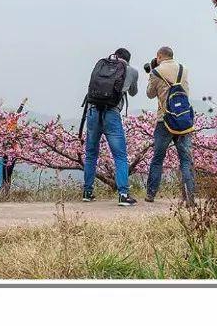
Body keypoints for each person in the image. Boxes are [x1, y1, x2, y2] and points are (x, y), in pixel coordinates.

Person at [81, 47, 139, 206]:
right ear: (128, 59)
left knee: (91, 154)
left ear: (115, 56)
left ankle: (87, 192)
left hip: (92, 112)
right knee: (120, 156)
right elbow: (133, 92)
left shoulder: (102, 66)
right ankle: (123, 194)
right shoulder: (131, 70)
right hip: (111, 114)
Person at [145, 45, 196, 206]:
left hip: (164, 120)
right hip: (183, 120)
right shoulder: (183, 69)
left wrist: (152, 73)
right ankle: (190, 197)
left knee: (158, 159)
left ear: (159, 56)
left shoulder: (156, 72)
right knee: (186, 160)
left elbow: (149, 94)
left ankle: (151, 194)